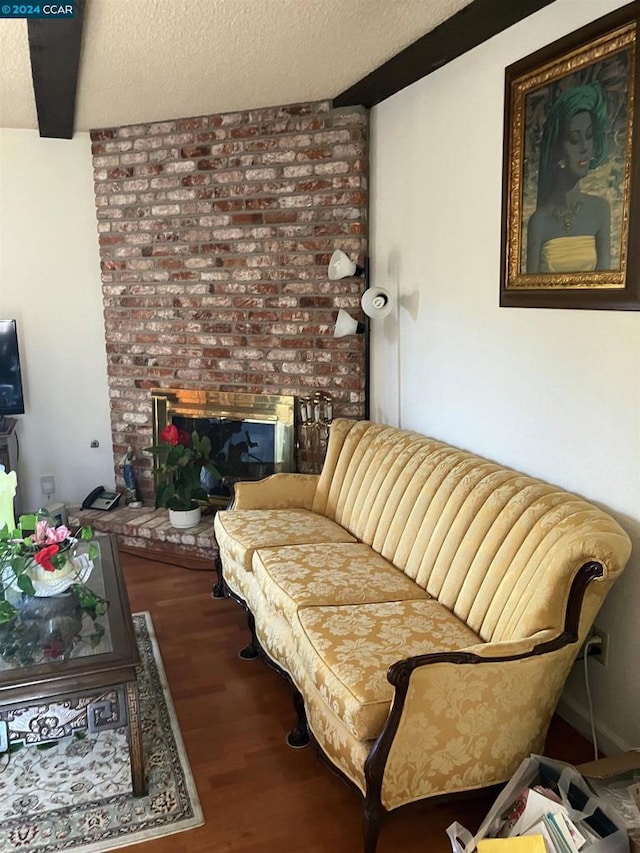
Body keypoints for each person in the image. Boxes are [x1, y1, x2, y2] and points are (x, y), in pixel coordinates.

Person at [526, 83, 611, 274]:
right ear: (557, 150)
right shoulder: (539, 221)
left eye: (589, 136)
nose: (584, 147)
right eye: (574, 139)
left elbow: (606, 284)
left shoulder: (600, 210)